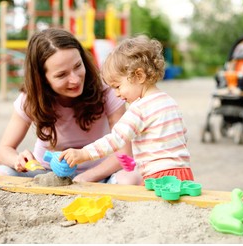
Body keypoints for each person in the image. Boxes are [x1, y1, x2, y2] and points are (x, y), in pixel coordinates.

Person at [0, 28, 140, 184]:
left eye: (78, 66)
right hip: (45, 173)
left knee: (133, 178)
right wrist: (18, 160)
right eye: (61, 75)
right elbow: (3, 150)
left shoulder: (107, 89)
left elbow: (124, 153)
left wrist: (87, 177)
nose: (75, 80)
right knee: (0, 173)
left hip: (99, 173)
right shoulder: (30, 99)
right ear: (42, 79)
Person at [59, 35, 194, 185]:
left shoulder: (139, 108)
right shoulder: (169, 101)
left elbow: (115, 140)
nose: (116, 93)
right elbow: (182, 135)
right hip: (184, 173)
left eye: (118, 86)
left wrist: (84, 153)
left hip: (158, 176)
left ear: (139, 75)